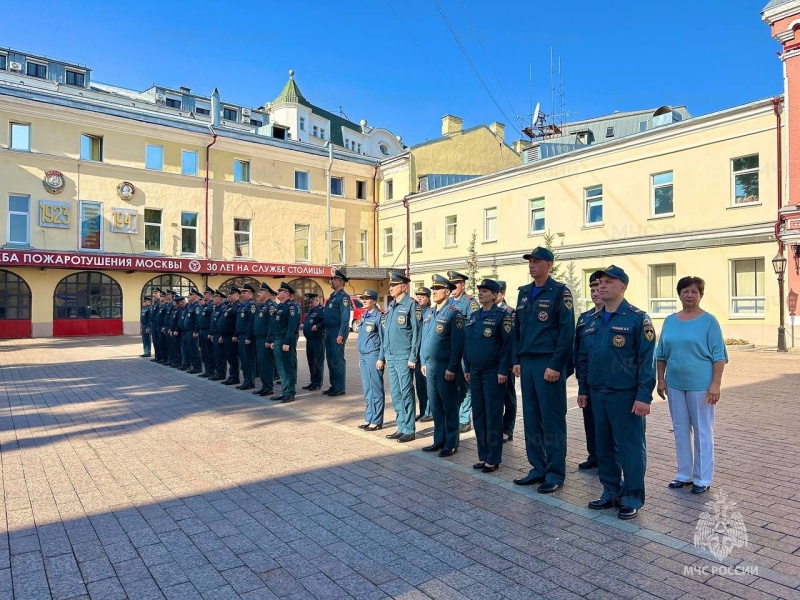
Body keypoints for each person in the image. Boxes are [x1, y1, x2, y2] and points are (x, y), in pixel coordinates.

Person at [576, 266, 656, 520]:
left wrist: (644, 396)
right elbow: (585, 359)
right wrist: (583, 389)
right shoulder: (593, 320)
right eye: (600, 282)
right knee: (604, 447)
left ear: (623, 286)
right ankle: (610, 490)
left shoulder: (636, 318)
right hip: (598, 394)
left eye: (609, 282)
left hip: (625, 395)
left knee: (630, 448)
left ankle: (631, 496)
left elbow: (647, 361)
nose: (601, 286)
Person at [511, 247, 575, 494]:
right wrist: (517, 358)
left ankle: (555, 473)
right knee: (531, 417)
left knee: (552, 420)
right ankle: (537, 468)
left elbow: (566, 331)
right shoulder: (525, 293)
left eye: (536, 261)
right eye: (530, 261)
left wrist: (556, 365)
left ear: (549, 264)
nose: (531, 265)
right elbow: (517, 329)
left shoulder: (560, 292)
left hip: (548, 363)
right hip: (527, 363)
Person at [656, 276, 727, 495]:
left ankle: (702, 478)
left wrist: (715, 384)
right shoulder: (670, 320)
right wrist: (661, 379)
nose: (690, 295)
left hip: (701, 385)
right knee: (680, 429)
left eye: (694, 292)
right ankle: (683, 474)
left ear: (700, 295)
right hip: (675, 384)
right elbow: (661, 354)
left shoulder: (709, 321)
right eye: (685, 291)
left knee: (702, 431)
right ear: (679, 294)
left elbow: (719, 356)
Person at [465, 279, 513, 473]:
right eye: (480, 291)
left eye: (485, 291)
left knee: (493, 415)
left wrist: (503, 370)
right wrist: (467, 367)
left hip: (493, 372)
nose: (481, 294)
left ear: (495, 295)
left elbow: (507, 345)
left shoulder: (502, 316)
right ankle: (483, 455)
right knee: (478, 414)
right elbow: (469, 344)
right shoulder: (474, 316)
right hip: (475, 371)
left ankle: (493, 458)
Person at [420, 274, 464, 457]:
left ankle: (451, 442)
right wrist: (423, 361)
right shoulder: (429, 313)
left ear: (447, 291)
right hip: (430, 365)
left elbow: (458, 344)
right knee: (435, 405)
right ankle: (439, 440)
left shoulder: (454, 313)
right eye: (433, 289)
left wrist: (452, 367)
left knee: (449, 404)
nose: (434, 292)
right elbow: (424, 339)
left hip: (445, 366)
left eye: (437, 289)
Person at [379, 271, 421, 443]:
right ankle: (401, 425)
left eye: (393, 285)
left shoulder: (411, 305)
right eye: (389, 286)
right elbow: (386, 333)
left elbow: (417, 333)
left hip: (404, 356)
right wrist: (384, 355)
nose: (390, 288)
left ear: (403, 286)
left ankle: (409, 429)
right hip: (391, 355)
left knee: (406, 392)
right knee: (396, 393)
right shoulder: (391, 306)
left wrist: (413, 356)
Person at [574, 274, 603, 470]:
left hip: (608, 381)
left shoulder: (615, 317)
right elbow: (578, 351)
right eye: (591, 290)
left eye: (598, 289)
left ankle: (607, 457)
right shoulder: (584, 319)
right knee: (590, 420)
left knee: (605, 423)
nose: (595, 294)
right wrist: (580, 383)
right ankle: (593, 455)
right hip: (588, 379)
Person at [446, 271, 480, 433]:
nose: (453, 288)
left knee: (466, 384)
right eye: (450, 285)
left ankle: (465, 419)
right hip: (452, 349)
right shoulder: (449, 302)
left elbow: (474, 327)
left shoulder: (470, 303)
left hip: (465, 349)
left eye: (456, 285)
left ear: (463, 285)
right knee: (453, 384)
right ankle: (456, 415)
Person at [356, 289, 385, 431]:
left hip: (374, 355)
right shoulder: (363, 316)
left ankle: (377, 420)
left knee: (376, 388)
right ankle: (369, 417)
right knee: (367, 388)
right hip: (363, 356)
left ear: (374, 301)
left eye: (367, 298)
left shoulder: (379, 317)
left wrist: (381, 358)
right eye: (363, 298)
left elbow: (384, 340)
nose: (364, 300)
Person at [268, 282, 301, 403]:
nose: (278, 292)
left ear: (286, 293)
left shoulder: (292, 306)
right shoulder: (281, 306)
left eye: (280, 290)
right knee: (281, 369)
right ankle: (284, 390)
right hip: (278, 339)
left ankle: (290, 393)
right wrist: (273, 340)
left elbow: (292, 327)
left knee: (288, 368)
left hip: (285, 339)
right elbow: (275, 325)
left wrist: (287, 342)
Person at [322, 270, 351, 396]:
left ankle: (340, 387)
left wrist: (341, 334)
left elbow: (345, 317)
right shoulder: (332, 296)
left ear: (340, 281)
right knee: (330, 359)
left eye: (333, 279)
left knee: (338, 359)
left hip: (337, 331)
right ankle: (333, 385)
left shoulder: (343, 297)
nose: (331, 281)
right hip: (329, 331)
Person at [495, 281, 516, 443]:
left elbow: (512, 340)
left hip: (506, 363)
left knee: (508, 398)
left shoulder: (510, 312)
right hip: (492, 363)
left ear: (501, 294)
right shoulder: (488, 312)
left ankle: (507, 429)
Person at [251, 283, 277, 396]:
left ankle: (269, 387)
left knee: (266, 364)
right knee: (261, 364)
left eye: (261, 292)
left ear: (267, 294)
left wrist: (269, 339)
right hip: (259, 338)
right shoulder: (261, 306)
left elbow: (273, 324)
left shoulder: (271, 306)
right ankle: (264, 385)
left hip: (265, 339)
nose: (258, 294)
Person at [414, 286, 433, 422]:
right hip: (417, 353)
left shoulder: (431, 313)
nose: (419, 298)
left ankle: (430, 412)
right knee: (420, 385)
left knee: (428, 385)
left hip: (426, 353)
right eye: (418, 296)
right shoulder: (416, 311)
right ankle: (422, 410)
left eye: (423, 296)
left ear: (428, 298)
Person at [234, 284, 257, 391]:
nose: (242, 294)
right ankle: (246, 380)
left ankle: (250, 381)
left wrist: (249, 337)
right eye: (241, 293)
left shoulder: (251, 305)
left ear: (250, 293)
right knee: (243, 360)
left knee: (248, 360)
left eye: (244, 292)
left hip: (247, 336)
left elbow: (252, 323)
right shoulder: (243, 305)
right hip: (241, 335)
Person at [302, 293, 326, 391]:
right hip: (310, 339)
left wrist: (318, 326)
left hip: (317, 339)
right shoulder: (311, 310)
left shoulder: (321, 310)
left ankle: (317, 383)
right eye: (309, 302)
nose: (310, 304)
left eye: (311, 302)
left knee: (317, 362)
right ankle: (313, 381)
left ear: (317, 300)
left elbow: (325, 321)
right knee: (311, 361)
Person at [219, 287, 240, 385]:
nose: (229, 295)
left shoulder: (238, 306)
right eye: (229, 294)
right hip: (226, 335)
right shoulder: (229, 306)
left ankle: (235, 377)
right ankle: (231, 376)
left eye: (232, 294)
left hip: (232, 336)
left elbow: (238, 323)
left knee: (233, 357)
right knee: (229, 357)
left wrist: (235, 335)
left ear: (237, 295)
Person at [183, 289, 203, 374]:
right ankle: (194, 366)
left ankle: (197, 367)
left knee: (195, 350)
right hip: (188, 331)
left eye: (191, 294)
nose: (189, 296)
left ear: (195, 296)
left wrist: (196, 331)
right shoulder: (191, 306)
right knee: (190, 349)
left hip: (193, 331)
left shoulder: (197, 306)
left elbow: (198, 320)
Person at [208, 290, 227, 381]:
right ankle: (218, 372)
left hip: (219, 334)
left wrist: (221, 335)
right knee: (216, 354)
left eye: (215, 298)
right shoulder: (216, 308)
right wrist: (211, 333)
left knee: (220, 355)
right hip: (215, 334)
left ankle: (221, 373)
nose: (213, 299)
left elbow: (223, 324)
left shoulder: (223, 308)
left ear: (220, 299)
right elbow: (213, 323)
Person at [198, 287, 216, 378]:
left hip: (207, 331)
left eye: (206, 294)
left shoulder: (212, 305)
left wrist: (211, 332)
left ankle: (212, 371)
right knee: (204, 352)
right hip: (202, 331)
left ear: (211, 295)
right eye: (204, 293)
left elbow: (212, 320)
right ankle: (207, 370)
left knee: (210, 352)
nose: (204, 295)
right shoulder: (205, 305)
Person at [148, 288, 162, 363]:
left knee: (158, 340)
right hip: (153, 323)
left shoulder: (159, 303)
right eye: (153, 293)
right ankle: (157, 356)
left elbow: (158, 315)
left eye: (156, 293)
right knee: (155, 341)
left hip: (157, 323)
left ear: (159, 293)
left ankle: (159, 356)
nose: (154, 295)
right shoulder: (155, 302)